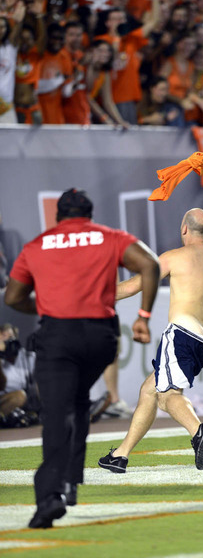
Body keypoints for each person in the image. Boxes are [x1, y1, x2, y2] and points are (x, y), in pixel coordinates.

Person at [4, 188, 160, 528]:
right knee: (77, 401)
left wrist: (43, 306)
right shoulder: (110, 237)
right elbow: (150, 264)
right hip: (100, 338)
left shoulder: (37, 244)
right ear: (88, 214)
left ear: (59, 216)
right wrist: (144, 316)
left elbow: (13, 297)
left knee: (57, 413)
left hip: (59, 336)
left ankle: (50, 496)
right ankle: (72, 480)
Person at [98, 162, 203, 473]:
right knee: (150, 390)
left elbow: (134, 286)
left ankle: (197, 432)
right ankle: (121, 455)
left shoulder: (173, 257)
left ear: (184, 229)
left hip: (183, 335)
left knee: (166, 396)